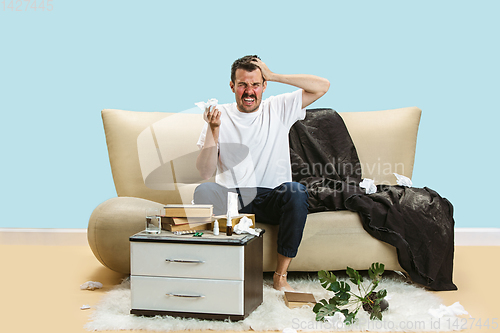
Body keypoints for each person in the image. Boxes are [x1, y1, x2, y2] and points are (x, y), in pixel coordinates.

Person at [194, 55, 329, 291]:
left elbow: (322, 86)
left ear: (264, 85)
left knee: (296, 191)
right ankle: (216, 270)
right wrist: (213, 130)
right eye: (243, 84)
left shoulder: (278, 107)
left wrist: (274, 75)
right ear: (232, 86)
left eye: (256, 84)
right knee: (203, 190)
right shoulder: (218, 116)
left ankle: (280, 276)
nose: (249, 91)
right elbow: (205, 172)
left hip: (271, 198)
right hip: (232, 201)